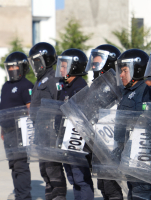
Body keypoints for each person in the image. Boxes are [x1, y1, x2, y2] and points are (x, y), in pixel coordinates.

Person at [28, 42, 67, 200]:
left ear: (47, 60)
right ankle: (50, 196)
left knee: (53, 169)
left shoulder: (54, 79)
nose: (35, 66)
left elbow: (60, 105)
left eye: (37, 62)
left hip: (51, 132)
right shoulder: (40, 80)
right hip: (41, 133)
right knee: (45, 170)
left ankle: (58, 197)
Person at [86, 44, 125, 200]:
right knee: (103, 186)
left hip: (111, 145)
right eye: (93, 62)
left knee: (111, 187)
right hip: (99, 143)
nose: (94, 66)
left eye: (98, 62)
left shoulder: (116, 86)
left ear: (108, 63)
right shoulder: (98, 85)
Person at [55, 48, 94, 200]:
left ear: (74, 67)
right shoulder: (65, 85)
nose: (61, 69)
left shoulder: (80, 86)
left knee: (81, 178)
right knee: (73, 178)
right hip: (65, 138)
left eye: (64, 66)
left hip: (76, 139)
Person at [115, 48, 151, 200]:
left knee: (140, 194)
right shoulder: (129, 91)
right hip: (130, 156)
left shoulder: (144, 92)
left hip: (141, 158)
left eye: (124, 70)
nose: (121, 75)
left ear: (136, 69)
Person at [0, 51, 34, 200]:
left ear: (23, 68)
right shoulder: (6, 85)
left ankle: (24, 196)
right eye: (10, 67)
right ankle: (19, 194)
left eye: (15, 67)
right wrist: (2, 128)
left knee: (20, 165)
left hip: (20, 131)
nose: (12, 70)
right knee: (13, 165)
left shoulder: (26, 85)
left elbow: (30, 109)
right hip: (8, 133)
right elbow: (3, 108)